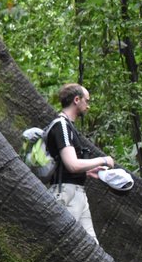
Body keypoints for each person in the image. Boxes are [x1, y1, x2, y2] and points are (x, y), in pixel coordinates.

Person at [44, 83, 115, 243]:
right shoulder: (61, 125)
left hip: (78, 194)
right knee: (64, 245)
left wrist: (90, 170)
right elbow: (72, 165)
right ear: (77, 100)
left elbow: (68, 165)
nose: (88, 106)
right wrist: (103, 159)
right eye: (86, 101)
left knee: (92, 248)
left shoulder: (69, 127)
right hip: (65, 193)